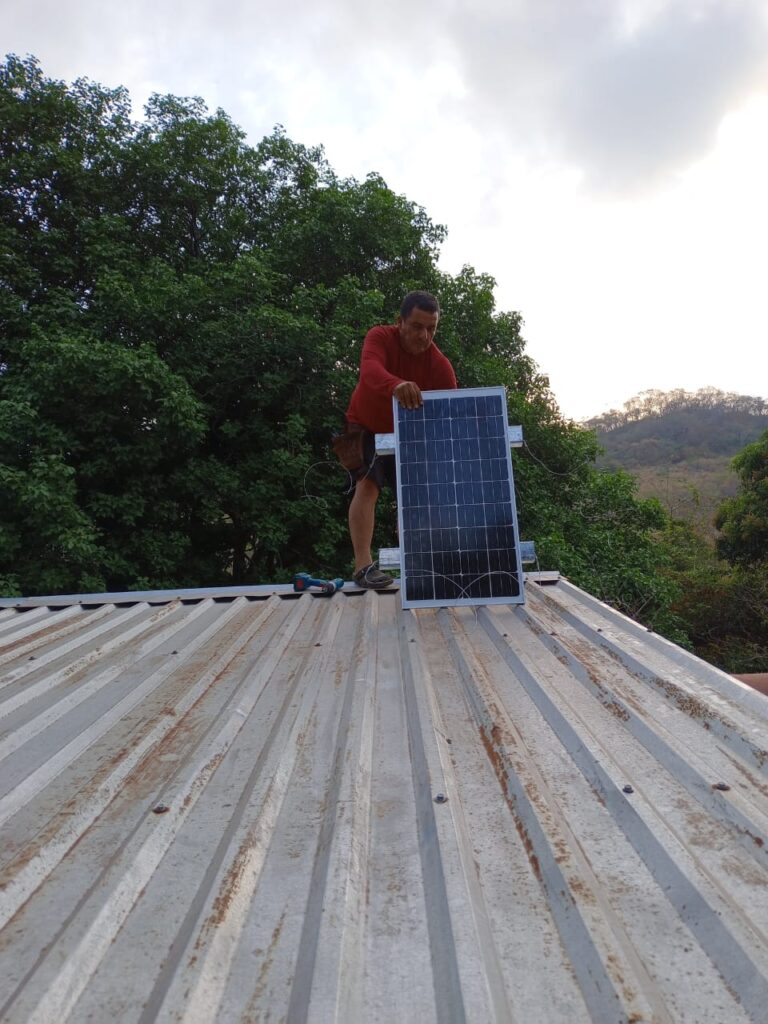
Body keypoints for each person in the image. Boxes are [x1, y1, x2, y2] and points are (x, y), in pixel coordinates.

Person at [344, 290, 457, 589]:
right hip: (366, 425)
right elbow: (369, 372)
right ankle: (363, 567)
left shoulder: (440, 367)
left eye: (432, 328)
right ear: (400, 322)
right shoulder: (379, 337)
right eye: (418, 327)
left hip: (409, 432)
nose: (425, 336)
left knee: (414, 496)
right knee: (368, 485)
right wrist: (397, 385)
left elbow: (449, 413)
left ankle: (420, 565)